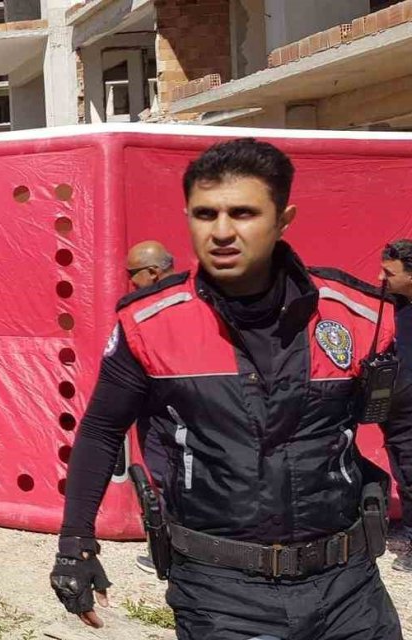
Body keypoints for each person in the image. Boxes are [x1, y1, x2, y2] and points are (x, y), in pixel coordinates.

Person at [50, 138, 412, 639]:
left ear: (283, 219)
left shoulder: (359, 316)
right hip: (220, 593)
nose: (221, 231)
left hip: (349, 587)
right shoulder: (149, 325)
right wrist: (75, 543)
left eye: (243, 213)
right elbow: (100, 430)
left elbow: (404, 426)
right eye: (205, 214)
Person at [125, 241, 177, 575]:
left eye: (133, 274)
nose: (131, 283)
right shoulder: (190, 301)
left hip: (163, 411)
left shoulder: (155, 311)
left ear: (153, 272)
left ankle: (170, 553)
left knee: (166, 478)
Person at [380, 239, 412, 571]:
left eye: (389, 273)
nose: (381, 277)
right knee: (405, 473)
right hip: (397, 411)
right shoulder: (391, 306)